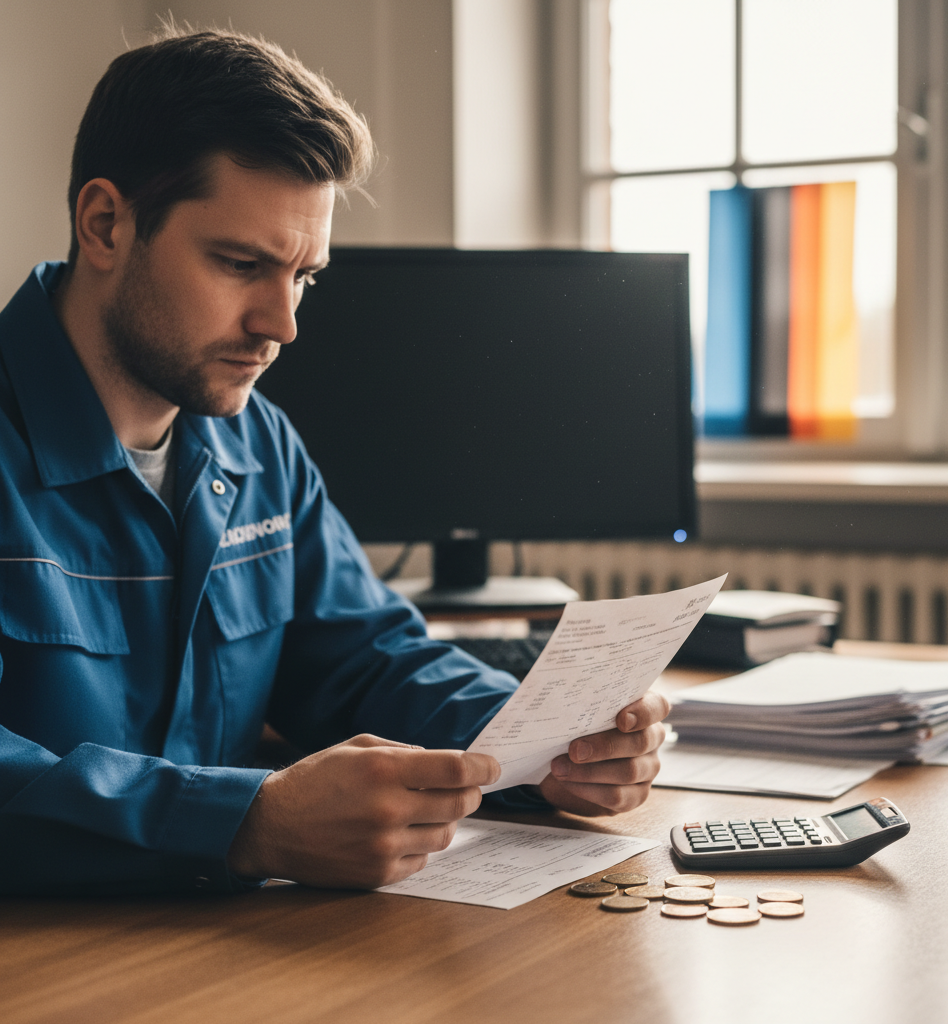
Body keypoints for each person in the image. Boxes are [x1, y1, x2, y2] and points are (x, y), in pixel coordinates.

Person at [0, 26, 669, 896]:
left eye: (304, 276)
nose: (283, 326)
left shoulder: (257, 442)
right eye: (241, 264)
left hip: (226, 947)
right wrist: (246, 822)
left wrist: (540, 740)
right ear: (105, 224)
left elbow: (362, 656)